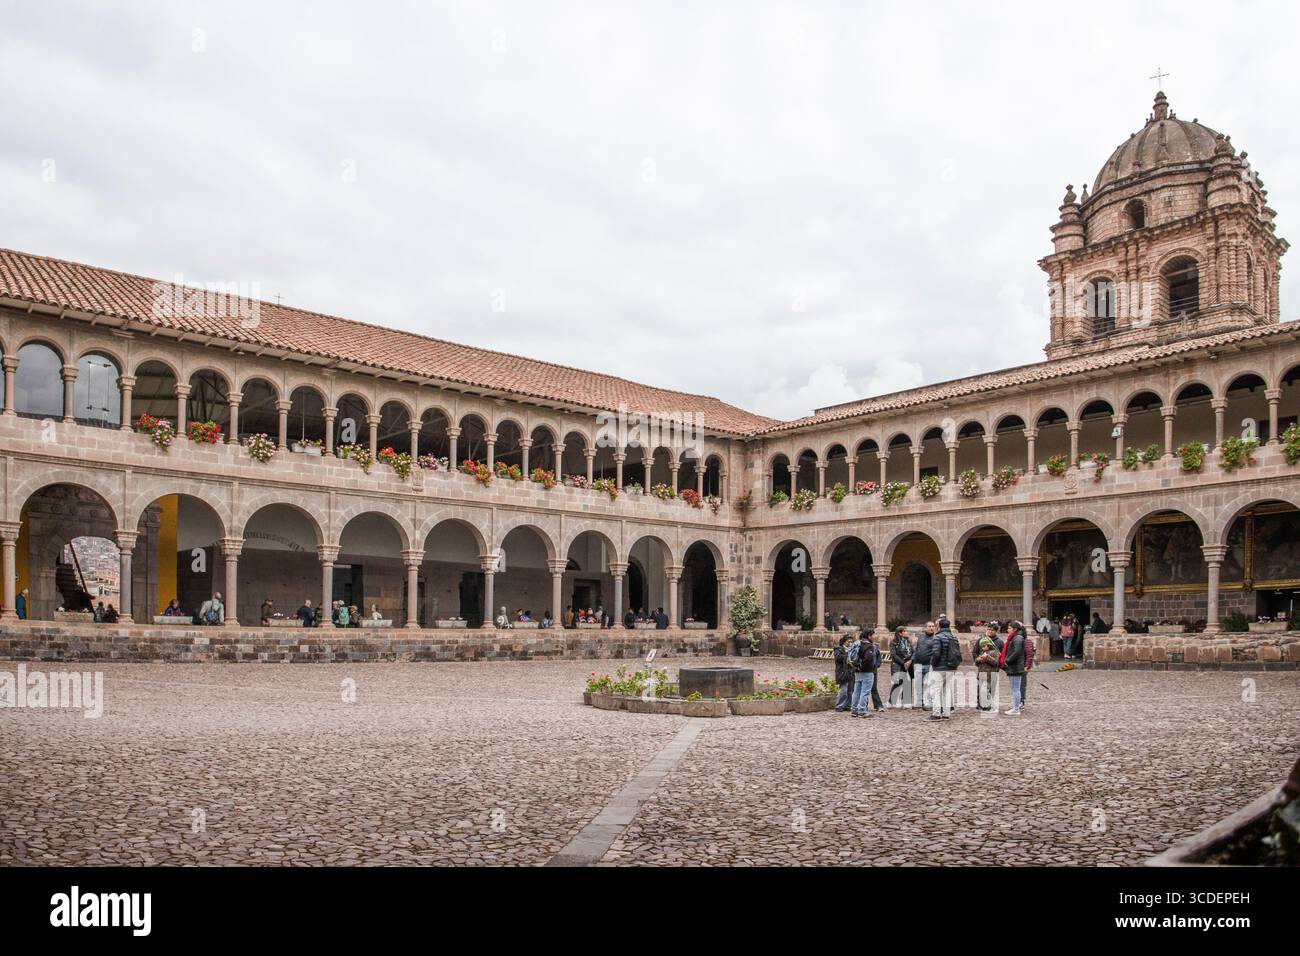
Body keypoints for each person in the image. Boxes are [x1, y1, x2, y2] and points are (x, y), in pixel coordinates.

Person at [926, 617, 962, 720]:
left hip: (940, 668)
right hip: (951, 667)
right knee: (947, 690)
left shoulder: (938, 638)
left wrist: (933, 663)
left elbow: (936, 653)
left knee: (936, 690)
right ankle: (946, 713)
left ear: (939, 626)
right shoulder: (954, 638)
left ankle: (936, 713)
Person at [848, 630, 880, 718]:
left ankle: (854, 710)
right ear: (869, 636)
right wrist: (864, 667)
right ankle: (862, 711)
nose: (874, 637)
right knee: (865, 692)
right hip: (867, 672)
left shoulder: (858, 644)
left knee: (856, 691)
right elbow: (868, 659)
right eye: (873, 635)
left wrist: (858, 667)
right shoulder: (869, 646)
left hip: (857, 671)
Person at [999, 621, 1028, 715]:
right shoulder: (1015, 637)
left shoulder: (1017, 638)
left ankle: (1016, 709)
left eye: (1009, 628)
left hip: (1015, 666)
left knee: (1015, 688)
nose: (1007, 630)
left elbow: (1017, 652)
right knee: (1015, 688)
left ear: (1015, 629)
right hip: (1015, 666)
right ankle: (1016, 706)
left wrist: (1008, 660)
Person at [974, 622, 1003, 714]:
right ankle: (981, 704)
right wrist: (978, 661)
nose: (989, 631)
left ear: (996, 631)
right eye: (988, 629)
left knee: (990, 689)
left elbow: (999, 658)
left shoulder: (999, 642)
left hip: (992, 671)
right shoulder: (981, 640)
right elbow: (975, 652)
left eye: (992, 630)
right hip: (982, 669)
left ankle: (989, 705)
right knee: (981, 688)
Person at [912, 621, 935, 712]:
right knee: (918, 685)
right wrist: (912, 659)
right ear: (925, 628)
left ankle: (928, 703)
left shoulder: (935, 638)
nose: (931, 628)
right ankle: (918, 702)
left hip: (929, 664)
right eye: (929, 626)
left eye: (933, 626)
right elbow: (916, 649)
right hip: (918, 664)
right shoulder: (921, 637)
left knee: (929, 685)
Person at [889, 626, 914, 708]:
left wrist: (910, 661)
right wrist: (903, 663)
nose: (907, 633)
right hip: (899, 664)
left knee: (908, 681)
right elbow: (893, 655)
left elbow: (913, 652)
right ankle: (891, 701)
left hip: (908, 664)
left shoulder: (908, 642)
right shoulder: (894, 642)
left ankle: (906, 702)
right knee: (898, 682)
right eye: (905, 631)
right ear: (900, 633)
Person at [833, 634, 855, 712]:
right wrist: (847, 654)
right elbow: (838, 658)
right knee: (843, 690)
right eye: (848, 642)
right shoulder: (838, 649)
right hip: (842, 672)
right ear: (844, 642)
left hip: (850, 672)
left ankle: (847, 705)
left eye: (851, 642)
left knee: (850, 690)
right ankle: (839, 705)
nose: (850, 643)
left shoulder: (852, 650)